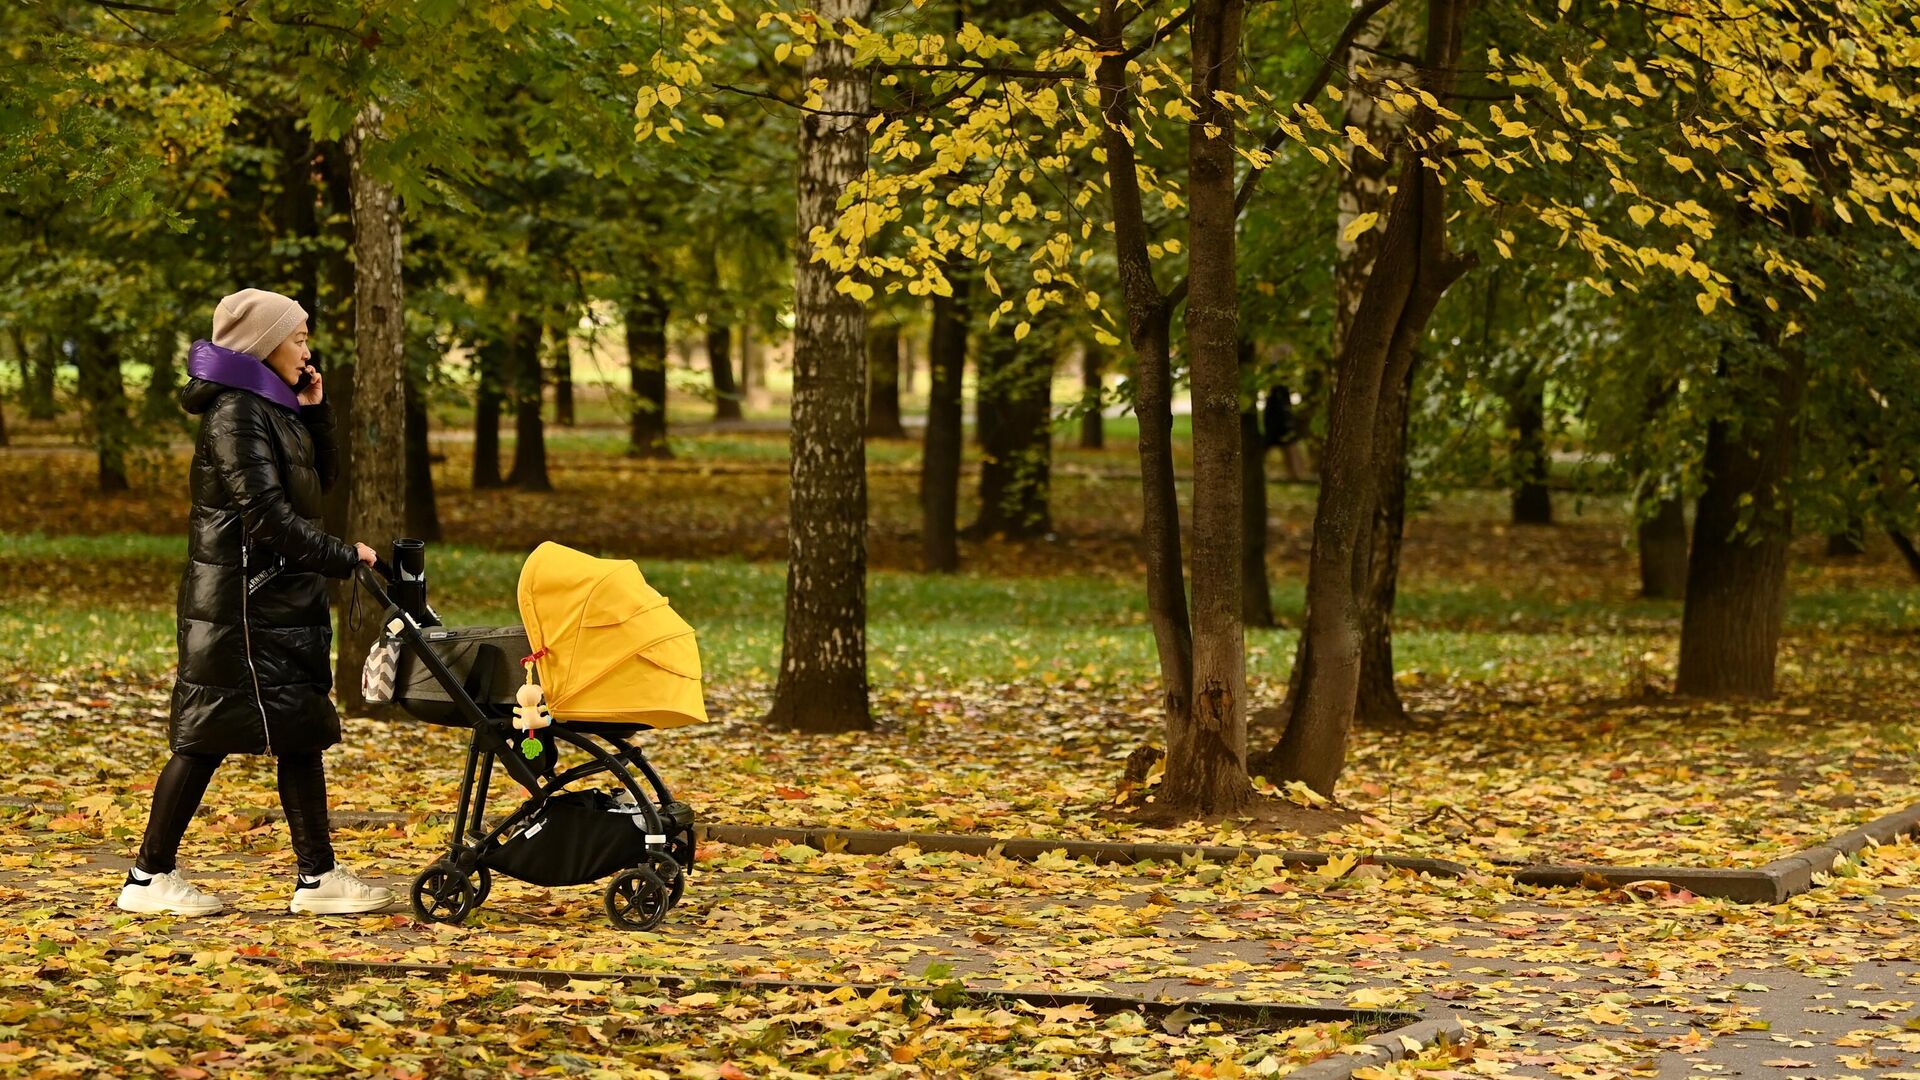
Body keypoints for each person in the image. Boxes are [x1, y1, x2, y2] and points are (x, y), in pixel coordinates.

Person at [117, 288, 394, 917]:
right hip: (243, 606)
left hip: (275, 600)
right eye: (297, 337)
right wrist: (342, 557)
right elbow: (266, 519)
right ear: (264, 343)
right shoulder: (235, 414)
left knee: (298, 729)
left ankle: (317, 877)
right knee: (204, 735)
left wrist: (316, 414)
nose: (306, 348)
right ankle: (147, 877)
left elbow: (316, 485)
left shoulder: (272, 407)